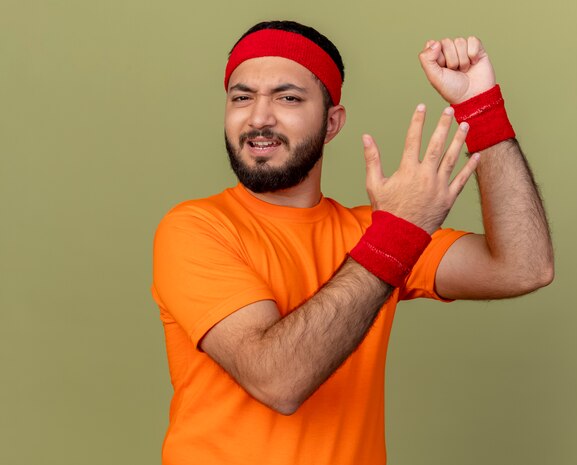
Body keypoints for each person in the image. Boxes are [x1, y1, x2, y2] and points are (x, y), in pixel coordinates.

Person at [152, 20, 553, 465]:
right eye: (242, 97)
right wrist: (398, 233)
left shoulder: (371, 232)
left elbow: (524, 265)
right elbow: (277, 380)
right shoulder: (195, 228)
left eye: (288, 98)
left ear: (332, 123)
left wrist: (482, 108)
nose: (259, 116)